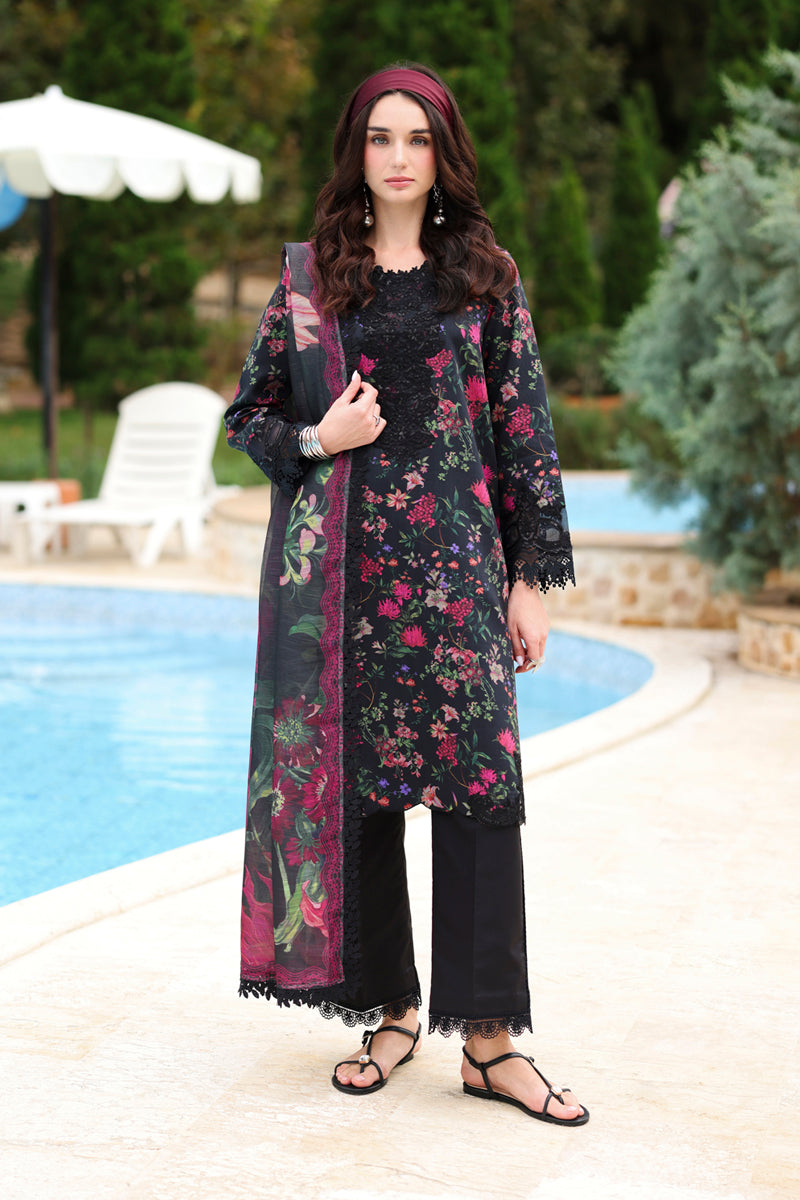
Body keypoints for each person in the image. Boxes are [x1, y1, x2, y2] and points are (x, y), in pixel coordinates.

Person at [224, 63, 587, 1125]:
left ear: (441, 154)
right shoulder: (312, 281)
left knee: (481, 793)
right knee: (366, 798)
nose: (396, 157)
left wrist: (529, 581)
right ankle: (387, 1012)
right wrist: (318, 436)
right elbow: (248, 417)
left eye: (416, 139)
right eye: (380, 137)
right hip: (346, 583)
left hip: (459, 575)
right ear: (357, 150)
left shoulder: (484, 275)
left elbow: (523, 432)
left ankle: (489, 1041)